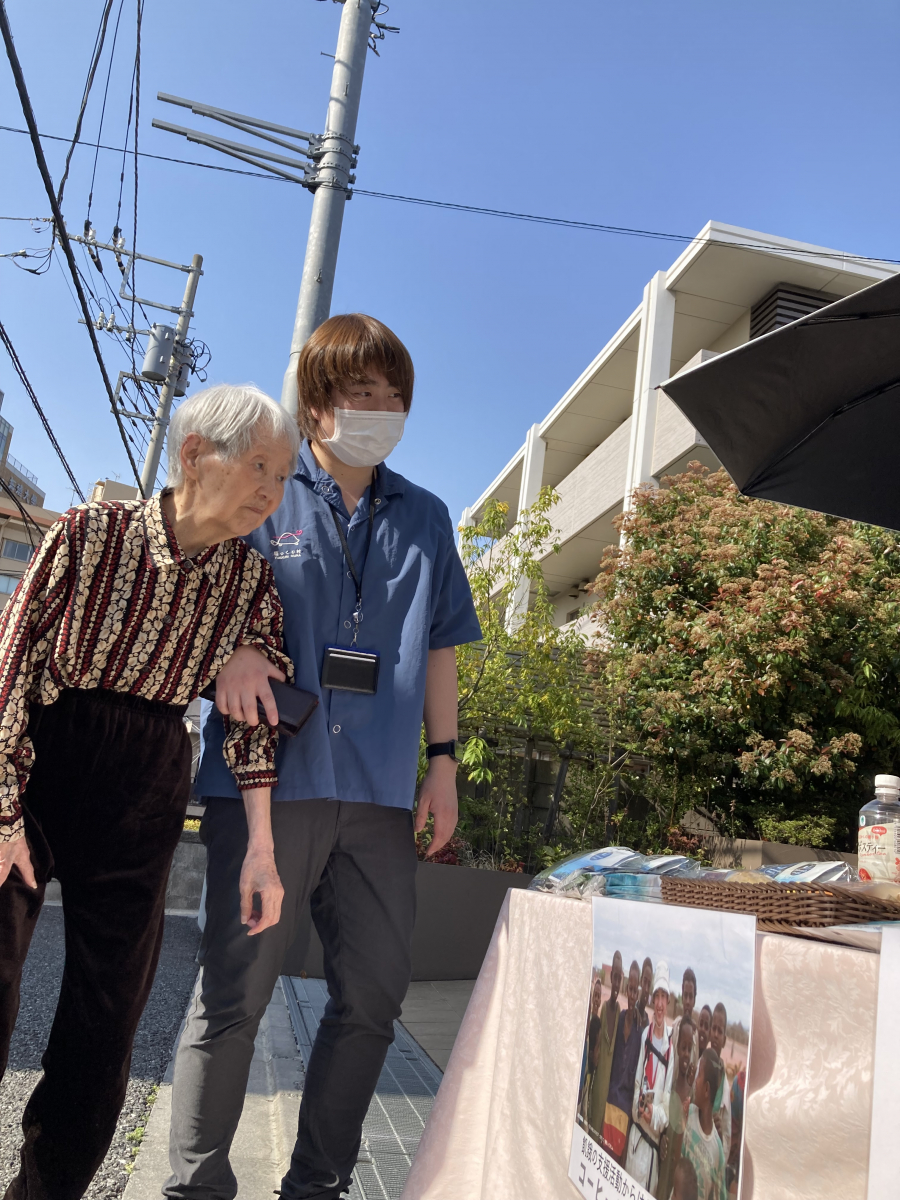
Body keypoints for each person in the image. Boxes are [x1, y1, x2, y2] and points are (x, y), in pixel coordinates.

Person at [165, 314, 482, 1200]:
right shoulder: (265, 490)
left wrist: (444, 763)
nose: (381, 409)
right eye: (361, 392)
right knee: (236, 991)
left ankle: (316, 1185)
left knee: (374, 995)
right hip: (267, 786)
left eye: (395, 396)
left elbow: (443, 648)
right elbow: (195, 594)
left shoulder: (426, 518)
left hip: (379, 793)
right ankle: (195, 1185)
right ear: (315, 405)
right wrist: (225, 654)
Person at [0, 384, 299, 1200]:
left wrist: (263, 852)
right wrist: (3, 812)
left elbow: (255, 729)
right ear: (195, 454)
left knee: (106, 1019)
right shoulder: (88, 533)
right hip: (42, 751)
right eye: (260, 466)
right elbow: (12, 664)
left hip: (147, 779)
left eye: (283, 476)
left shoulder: (251, 584)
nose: (272, 490)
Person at [625, 961, 673, 1195]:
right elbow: (637, 1082)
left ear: (668, 1001)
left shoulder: (671, 1046)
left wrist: (653, 1115)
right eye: (657, 996)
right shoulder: (646, 1035)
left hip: (651, 1153)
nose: (660, 1003)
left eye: (664, 997)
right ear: (653, 999)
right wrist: (639, 1107)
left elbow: (668, 1106)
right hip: (635, 1143)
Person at [604, 959, 643, 1164]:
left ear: (638, 992)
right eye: (631, 989)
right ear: (627, 989)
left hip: (624, 1111)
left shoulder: (640, 1029)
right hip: (610, 1103)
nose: (633, 995)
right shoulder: (620, 1019)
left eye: (636, 990)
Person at [681, 1049, 727, 1200]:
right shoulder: (688, 1115)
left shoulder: (717, 1151)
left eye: (699, 1075)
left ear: (706, 1089)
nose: (695, 1080)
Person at [657, 1016, 694, 1200]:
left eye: (689, 1049)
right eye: (683, 1047)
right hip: (661, 1177)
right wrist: (661, 1140)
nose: (686, 1053)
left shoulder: (691, 1098)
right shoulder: (668, 1088)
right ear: (677, 1048)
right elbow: (661, 1128)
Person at [589, 951, 622, 1141]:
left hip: (609, 1097)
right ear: (611, 977)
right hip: (596, 1089)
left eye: (619, 979)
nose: (616, 983)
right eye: (614, 977)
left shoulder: (619, 1014)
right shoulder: (602, 1011)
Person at [710, 1002, 732, 1165]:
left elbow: (726, 1144)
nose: (716, 1035)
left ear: (724, 1040)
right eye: (714, 1029)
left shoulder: (725, 1091)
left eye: (720, 1031)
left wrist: (718, 1138)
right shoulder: (698, 1070)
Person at [579, 978, 603, 1126]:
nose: (596, 999)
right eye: (595, 995)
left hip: (589, 1073)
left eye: (598, 996)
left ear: (600, 1001)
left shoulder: (598, 1023)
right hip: (582, 1068)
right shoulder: (586, 1018)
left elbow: (596, 1054)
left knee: (585, 1107)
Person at [671, 967, 699, 1083]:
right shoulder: (674, 1029)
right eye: (685, 996)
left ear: (694, 1000)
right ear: (682, 997)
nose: (687, 1001)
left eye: (690, 997)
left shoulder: (696, 1036)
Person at [638, 956, 654, 1028]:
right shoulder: (631, 1014)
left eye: (649, 984)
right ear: (641, 981)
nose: (646, 989)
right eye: (645, 981)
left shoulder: (647, 1022)